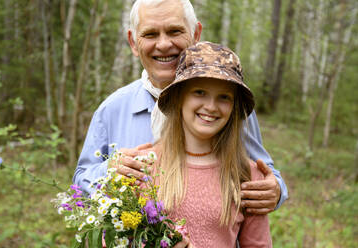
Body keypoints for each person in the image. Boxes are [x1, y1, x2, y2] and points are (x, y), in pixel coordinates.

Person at [73, 0, 288, 216]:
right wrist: (108, 171)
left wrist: (275, 190)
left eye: (175, 31)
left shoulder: (226, 107)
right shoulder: (112, 109)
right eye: (150, 34)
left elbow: (265, 173)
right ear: (133, 42)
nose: (164, 44)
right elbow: (80, 183)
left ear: (196, 34)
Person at [153, 41, 272, 247]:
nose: (211, 106)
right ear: (179, 97)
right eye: (199, 92)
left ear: (234, 107)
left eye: (224, 97)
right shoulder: (145, 166)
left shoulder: (247, 175)